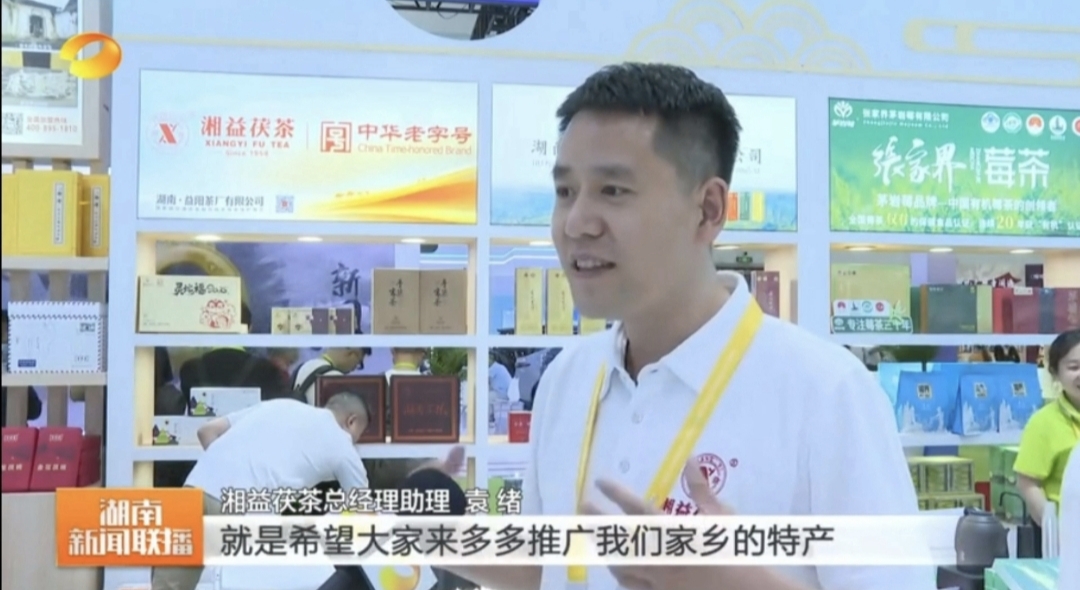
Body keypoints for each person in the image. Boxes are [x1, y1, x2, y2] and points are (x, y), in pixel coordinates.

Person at [444, 63, 933, 590]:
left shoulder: (826, 392)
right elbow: (552, 570)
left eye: (613, 191)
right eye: (565, 191)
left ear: (708, 209)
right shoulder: (567, 378)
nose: (577, 222)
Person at [150, 393, 371, 590]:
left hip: (193, 490)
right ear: (351, 422)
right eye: (358, 436)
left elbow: (206, 431)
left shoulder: (279, 405)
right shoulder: (342, 443)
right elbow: (364, 513)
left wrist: (225, 473)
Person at [1014, 329, 1079, 545]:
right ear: (1055, 372)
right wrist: (1056, 531)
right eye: (1074, 367)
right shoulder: (1043, 423)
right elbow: (1027, 483)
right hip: (1068, 540)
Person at [1, 309, 43, 425]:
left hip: (16, 433)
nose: (5, 341)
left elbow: (35, 410)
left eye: (8, 334)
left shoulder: (15, 370)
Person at [292, 347, 370, 405]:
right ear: (352, 354)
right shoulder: (336, 378)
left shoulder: (303, 367)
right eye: (359, 363)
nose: (354, 368)